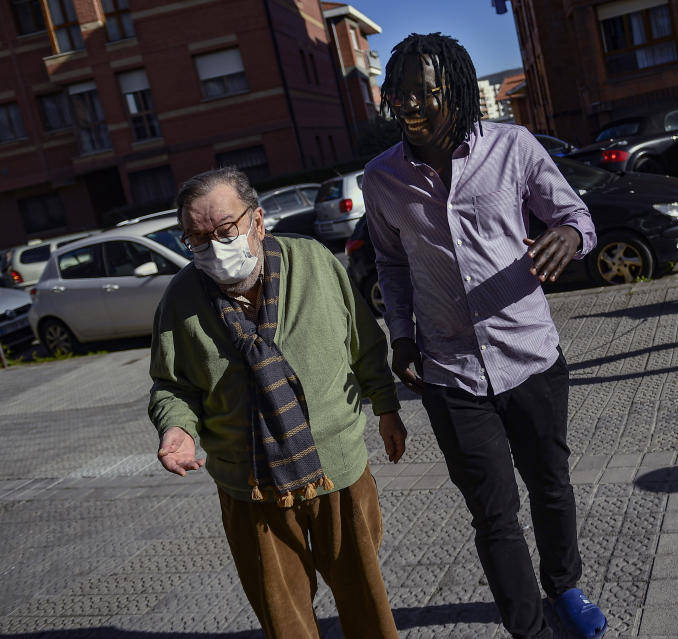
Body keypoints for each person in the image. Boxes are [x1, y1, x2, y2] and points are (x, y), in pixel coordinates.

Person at [362, 33, 608, 639]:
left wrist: (570, 239)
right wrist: (400, 337)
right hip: (451, 375)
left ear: (457, 91)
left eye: (425, 94)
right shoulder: (382, 178)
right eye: (400, 96)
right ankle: (527, 628)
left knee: (550, 485)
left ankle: (565, 587)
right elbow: (390, 265)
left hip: (530, 357)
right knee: (493, 512)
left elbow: (577, 217)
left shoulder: (513, 146)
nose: (411, 108)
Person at [148, 167, 406, 639]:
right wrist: (177, 429)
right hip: (251, 487)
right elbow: (172, 385)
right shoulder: (181, 298)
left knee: (367, 607)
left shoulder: (313, 261)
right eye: (197, 239)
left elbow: (363, 341)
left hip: (338, 469)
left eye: (225, 230)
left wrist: (387, 409)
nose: (214, 247)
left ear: (259, 220)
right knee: (285, 622)